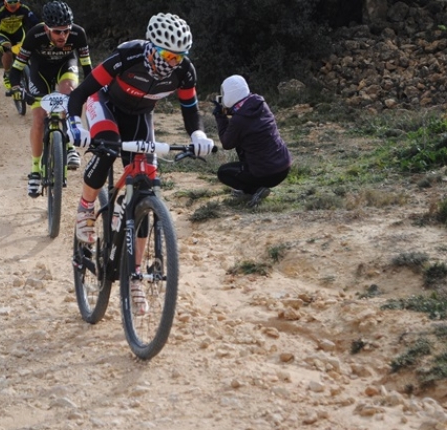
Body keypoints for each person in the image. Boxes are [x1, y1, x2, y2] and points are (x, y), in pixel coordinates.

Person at [66, 12, 214, 315]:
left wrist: (198, 133)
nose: (173, 61)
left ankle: (135, 277)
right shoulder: (128, 56)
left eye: (180, 56)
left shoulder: (184, 71)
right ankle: (85, 209)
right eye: (168, 54)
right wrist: (74, 125)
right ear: (153, 46)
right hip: (105, 105)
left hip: (141, 118)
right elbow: (82, 92)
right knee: (106, 150)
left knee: (145, 188)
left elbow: (190, 108)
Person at [8, 1, 92, 198]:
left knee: (69, 91)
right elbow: (17, 69)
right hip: (40, 71)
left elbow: (88, 68)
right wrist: (17, 88)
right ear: (46, 28)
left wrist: (90, 90)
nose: (62, 36)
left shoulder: (78, 34)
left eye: (66, 31)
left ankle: (70, 145)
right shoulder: (34, 35)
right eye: (57, 32)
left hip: (66, 66)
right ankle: (35, 171)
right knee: (38, 118)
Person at [212, 75, 292, 207]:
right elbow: (247, 119)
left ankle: (254, 190)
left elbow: (227, 143)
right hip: (283, 166)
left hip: (266, 172)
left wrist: (220, 117)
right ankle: (252, 188)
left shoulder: (239, 120)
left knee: (223, 173)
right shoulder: (260, 104)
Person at [0, 0, 40, 92]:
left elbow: (34, 22)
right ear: (5, 3)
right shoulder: (0, 10)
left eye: (15, 3)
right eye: (10, 3)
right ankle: (7, 74)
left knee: (27, 50)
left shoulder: (24, 8)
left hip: (18, 33)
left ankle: (31, 74)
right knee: (7, 49)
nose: (13, 6)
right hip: (3, 34)